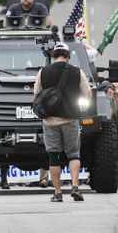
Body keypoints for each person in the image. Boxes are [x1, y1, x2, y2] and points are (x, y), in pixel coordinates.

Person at [34, 42, 92, 202]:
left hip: (50, 120)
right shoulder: (77, 72)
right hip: (70, 118)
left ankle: (58, 192)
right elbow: (87, 93)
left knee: (54, 155)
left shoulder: (43, 72)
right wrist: (80, 110)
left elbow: (37, 94)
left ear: (53, 55)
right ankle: (75, 186)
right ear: (68, 56)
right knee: (73, 154)